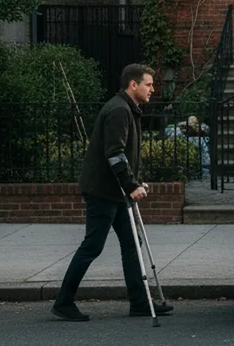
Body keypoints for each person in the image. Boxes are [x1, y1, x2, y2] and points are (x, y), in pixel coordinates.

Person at [51, 63, 174, 322]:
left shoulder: (127, 108)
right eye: (148, 84)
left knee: (132, 245)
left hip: (117, 192)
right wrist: (132, 186)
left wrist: (134, 183)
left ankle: (140, 302)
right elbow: (115, 154)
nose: (153, 89)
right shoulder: (119, 110)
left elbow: (123, 155)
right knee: (93, 246)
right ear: (133, 84)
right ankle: (63, 301)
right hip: (104, 192)